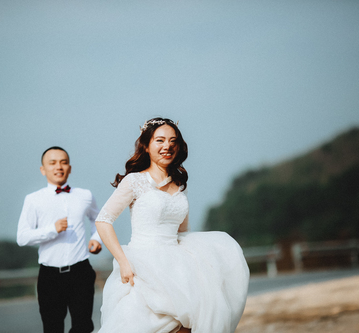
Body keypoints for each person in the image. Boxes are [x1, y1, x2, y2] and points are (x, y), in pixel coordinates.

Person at [95, 118, 250, 333]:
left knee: (187, 325)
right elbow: (103, 220)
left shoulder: (179, 183)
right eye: (159, 140)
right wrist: (123, 262)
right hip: (142, 263)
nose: (167, 146)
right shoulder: (134, 181)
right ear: (146, 146)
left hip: (176, 264)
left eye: (172, 141)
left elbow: (181, 230)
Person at [17, 146, 102, 333]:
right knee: (52, 328)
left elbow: (99, 219)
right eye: (52, 163)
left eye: (63, 162)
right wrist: (51, 230)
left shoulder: (85, 196)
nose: (59, 167)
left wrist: (97, 239)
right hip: (50, 275)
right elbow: (22, 237)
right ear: (43, 169)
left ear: (69, 168)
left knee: (83, 327)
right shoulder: (33, 200)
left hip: (80, 270)